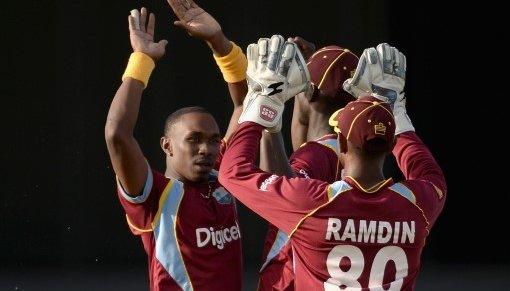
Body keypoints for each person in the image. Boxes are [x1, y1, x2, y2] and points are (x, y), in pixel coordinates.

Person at [219, 41, 446, 290]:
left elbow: (233, 172)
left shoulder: (312, 203)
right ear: (391, 145)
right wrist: (397, 113)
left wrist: (266, 101)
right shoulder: (419, 204)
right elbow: (428, 172)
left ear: (342, 143)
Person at [104, 3, 248, 289]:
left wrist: (218, 42)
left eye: (213, 140)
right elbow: (117, 135)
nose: (206, 148)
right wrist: (142, 60)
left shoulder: (223, 175)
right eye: (193, 139)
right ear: (167, 145)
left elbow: (245, 103)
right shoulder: (154, 196)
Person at [258, 42, 360, 290]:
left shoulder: (315, 154)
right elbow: (304, 129)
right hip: (329, 273)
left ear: (310, 93)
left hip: (290, 276)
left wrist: (266, 106)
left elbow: (276, 187)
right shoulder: (354, 149)